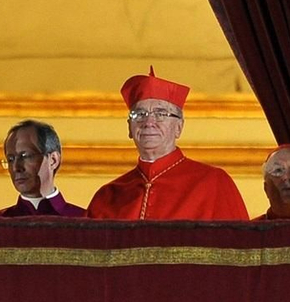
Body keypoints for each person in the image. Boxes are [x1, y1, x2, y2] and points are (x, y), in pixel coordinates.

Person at [86, 67, 248, 221]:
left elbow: (238, 240)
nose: (149, 122)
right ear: (129, 127)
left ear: (179, 127)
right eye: (139, 114)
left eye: (161, 113)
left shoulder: (214, 182)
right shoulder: (107, 196)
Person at [0, 120, 85, 218]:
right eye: (10, 159)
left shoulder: (85, 221)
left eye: (25, 156)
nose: (16, 167)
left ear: (53, 160)